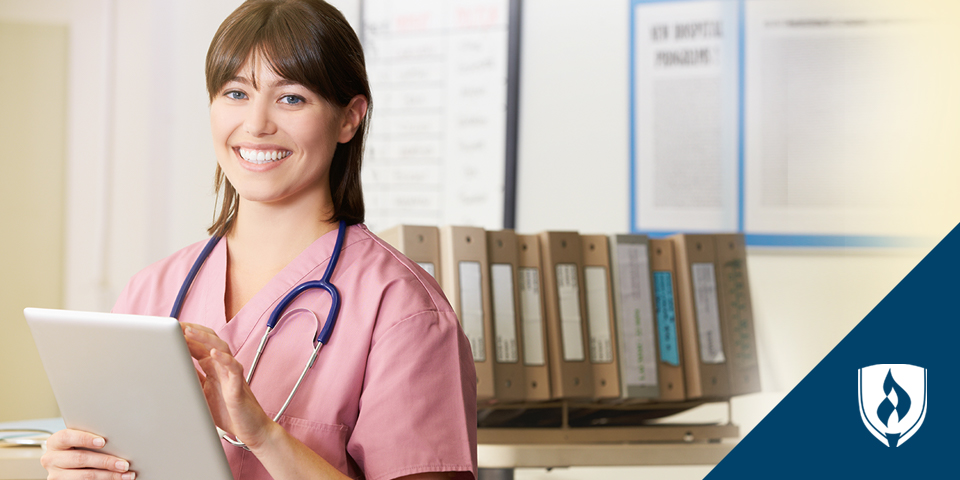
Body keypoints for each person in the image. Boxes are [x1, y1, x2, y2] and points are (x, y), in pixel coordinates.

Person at [39, 1, 478, 479]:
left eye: (291, 98)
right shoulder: (152, 292)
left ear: (350, 118)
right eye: (235, 93)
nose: (256, 124)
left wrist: (265, 436)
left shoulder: (402, 311)